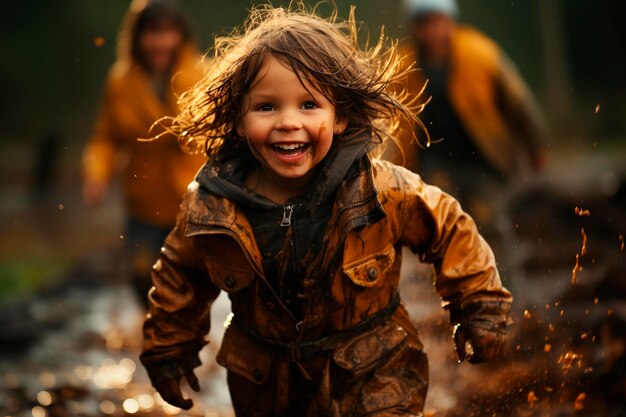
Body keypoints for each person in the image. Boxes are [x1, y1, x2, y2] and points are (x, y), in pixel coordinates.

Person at [139, 5, 512, 416]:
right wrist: (168, 349)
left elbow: (449, 227)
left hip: (375, 369)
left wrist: (480, 305)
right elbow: (180, 275)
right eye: (266, 107)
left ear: (340, 117)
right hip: (267, 385)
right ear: (240, 119)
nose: (287, 122)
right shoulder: (213, 207)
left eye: (308, 105)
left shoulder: (381, 190)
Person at [82, 0, 205, 306]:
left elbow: (219, 133)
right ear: (136, 37)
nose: (160, 42)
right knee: (142, 277)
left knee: (193, 279)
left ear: (180, 35)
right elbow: (106, 137)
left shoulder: (203, 72)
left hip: (194, 197)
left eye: (168, 32)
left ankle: (186, 341)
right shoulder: (120, 81)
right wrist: (96, 176)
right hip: (143, 198)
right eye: (152, 33)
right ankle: (151, 334)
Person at [389, 0, 546, 229]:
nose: (432, 31)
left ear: (451, 21)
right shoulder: (402, 65)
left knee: (489, 220)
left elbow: (519, 102)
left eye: (437, 22)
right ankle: (448, 265)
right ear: (414, 28)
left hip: (482, 158)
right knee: (443, 222)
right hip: (435, 161)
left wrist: (536, 147)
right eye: (424, 24)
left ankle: (497, 265)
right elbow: (391, 124)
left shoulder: (480, 55)